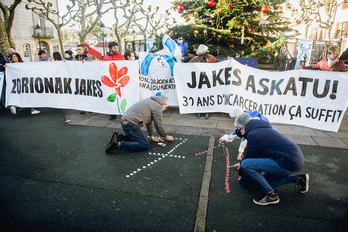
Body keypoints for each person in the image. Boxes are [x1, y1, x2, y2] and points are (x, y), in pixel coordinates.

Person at [229, 113, 309, 206]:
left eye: (239, 129)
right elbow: (254, 152)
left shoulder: (254, 135)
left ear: (243, 128)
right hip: (294, 160)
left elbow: (249, 158)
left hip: (287, 161)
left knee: (246, 164)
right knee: (263, 183)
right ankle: (299, 179)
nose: (239, 131)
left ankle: (271, 195)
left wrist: (241, 173)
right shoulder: (262, 129)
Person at [105, 95, 174, 153]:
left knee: (138, 137)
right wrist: (165, 136)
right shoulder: (158, 106)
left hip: (125, 120)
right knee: (144, 145)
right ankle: (118, 145)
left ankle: (118, 137)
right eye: (166, 107)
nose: (165, 108)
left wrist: (152, 136)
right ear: (164, 104)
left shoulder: (152, 101)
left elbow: (149, 122)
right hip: (130, 123)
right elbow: (158, 124)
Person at [189, 44, 221, 119]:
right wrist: (177, 65)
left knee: (207, 95)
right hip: (199, 80)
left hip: (208, 80)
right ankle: (199, 111)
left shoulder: (210, 57)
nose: (206, 52)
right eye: (204, 51)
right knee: (199, 95)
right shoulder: (196, 59)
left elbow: (218, 63)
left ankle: (206, 111)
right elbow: (187, 65)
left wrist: (227, 61)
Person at [104, 42, 125, 120]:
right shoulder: (105, 57)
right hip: (110, 80)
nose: (116, 49)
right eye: (114, 48)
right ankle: (112, 113)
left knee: (120, 95)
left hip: (118, 79)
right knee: (111, 96)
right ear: (110, 49)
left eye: (117, 47)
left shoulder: (121, 57)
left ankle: (121, 111)